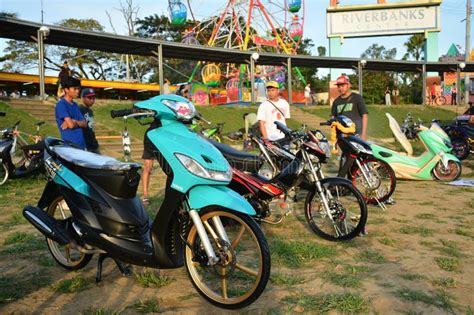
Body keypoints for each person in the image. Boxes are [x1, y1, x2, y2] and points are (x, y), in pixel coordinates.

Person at [331, 75, 369, 140]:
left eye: (343, 86)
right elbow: (333, 118)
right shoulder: (336, 102)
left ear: (349, 85)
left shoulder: (357, 98)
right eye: (338, 86)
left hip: (357, 134)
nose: (340, 88)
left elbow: (364, 115)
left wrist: (363, 134)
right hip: (343, 135)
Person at [55, 77, 87, 149]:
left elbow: (84, 124)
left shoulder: (75, 105)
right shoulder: (61, 104)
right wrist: (74, 123)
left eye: (78, 88)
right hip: (70, 147)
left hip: (81, 145)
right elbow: (71, 125)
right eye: (75, 89)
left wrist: (74, 121)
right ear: (66, 89)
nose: (77, 91)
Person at [141, 120, 161, 206]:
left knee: (170, 168)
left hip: (166, 135)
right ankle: (145, 195)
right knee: (148, 167)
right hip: (152, 135)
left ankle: (169, 194)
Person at [79, 88, 100, 154]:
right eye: (89, 98)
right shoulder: (79, 109)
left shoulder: (90, 111)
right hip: (85, 145)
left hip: (93, 144)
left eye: (93, 98)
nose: (92, 100)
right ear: (83, 98)